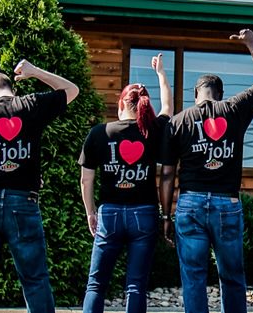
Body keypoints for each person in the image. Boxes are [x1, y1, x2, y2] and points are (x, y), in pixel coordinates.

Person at [160, 29, 253, 313]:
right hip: (227, 202)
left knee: (193, 277)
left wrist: (165, 215)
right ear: (220, 94)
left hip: (190, 203)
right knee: (232, 275)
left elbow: (167, 173)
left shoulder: (178, 122)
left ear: (195, 94)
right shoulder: (233, 109)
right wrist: (252, 45)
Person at [0, 59, 80, 313]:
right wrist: (34, 72)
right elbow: (72, 90)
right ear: (12, 89)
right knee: (34, 278)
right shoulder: (29, 105)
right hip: (23, 202)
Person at [79, 54, 173, 313]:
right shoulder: (153, 130)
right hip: (144, 214)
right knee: (136, 285)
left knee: (96, 284)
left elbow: (86, 179)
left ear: (121, 103)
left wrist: (90, 212)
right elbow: (168, 106)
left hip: (109, 213)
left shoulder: (100, 133)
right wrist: (161, 74)